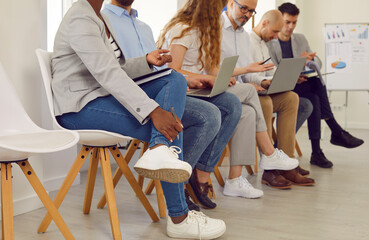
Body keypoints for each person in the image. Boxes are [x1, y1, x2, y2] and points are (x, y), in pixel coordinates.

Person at [52, 0, 226, 239]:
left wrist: (145, 61)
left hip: (100, 97)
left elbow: (114, 68)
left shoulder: (95, 15)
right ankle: (179, 217)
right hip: (79, 109)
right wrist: (153, 111)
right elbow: (108, 73)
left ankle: (160, 150)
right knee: (168, 126)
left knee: (174, 79)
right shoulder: (80, 18)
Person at [101, 0, 242, 212]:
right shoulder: (103, 23)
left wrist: (185, 80)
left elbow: (162, 71)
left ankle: (194, 172)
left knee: (230, 103)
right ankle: (179, 185)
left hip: (162, 89)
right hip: (134, 99)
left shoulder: (143, 27)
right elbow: (110, 73)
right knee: (208, 115)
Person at [158, 0, 300, 198]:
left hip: (202, 89)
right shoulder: (183, 29)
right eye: (219, 9)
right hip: (186, 91)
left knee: (248, 111)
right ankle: (269, 154)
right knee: (249, 94)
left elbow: (213, 69)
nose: (221, 12)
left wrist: (235, 74)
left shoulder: (203, 31)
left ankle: (235, 179)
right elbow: (173, 71)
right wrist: (208, 78)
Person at [221, 1, 315, 190]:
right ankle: (270, 167)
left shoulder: (243, 37)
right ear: (231, 4)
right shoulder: (221, 31)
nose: (247, 14)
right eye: (243, 8)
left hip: (251, 88)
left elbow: (250, 71)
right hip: (231, 89)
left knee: (291, 98)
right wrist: (252, 82)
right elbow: (222, 71)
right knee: (263, 103)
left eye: (251, 10)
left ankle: (285, 162)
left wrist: (264, 81)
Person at [267, 2, 364, 168]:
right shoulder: (270, 42)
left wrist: (310, 59)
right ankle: (334, 132)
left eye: (294, 22)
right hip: (281, 88)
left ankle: (318, 151)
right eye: (287, 22)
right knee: (316, 83)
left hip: (301, 85)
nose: (291, 27)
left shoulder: (300, 39)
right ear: (279, 19)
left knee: (313, 97)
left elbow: (317, 61)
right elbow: (273, 72)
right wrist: (297, 67)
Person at [249, 9, 313, 134]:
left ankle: (285, 152)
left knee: (292, 98)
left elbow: (271, 69)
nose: (275, 37)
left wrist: (285, 77)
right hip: (255, 91)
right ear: (264, 23)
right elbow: (246, 74)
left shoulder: (263, 43)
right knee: (268, 103)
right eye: (275, 32)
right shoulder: (247, 41)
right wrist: (264, 81)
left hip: (266, 89)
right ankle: (269, 153)